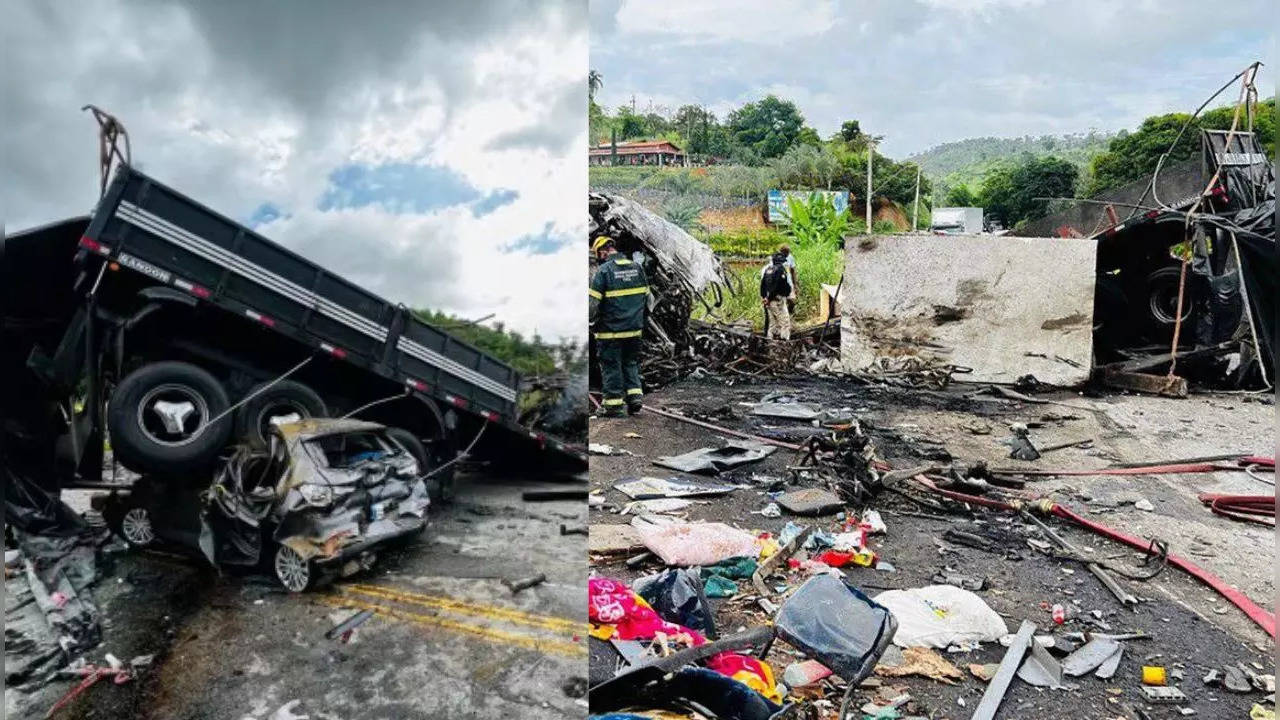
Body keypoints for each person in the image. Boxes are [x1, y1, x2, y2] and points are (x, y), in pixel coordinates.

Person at [589, 236, 648, 417]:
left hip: (610, 332)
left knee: (611, 365)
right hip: (634, 329)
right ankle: (635, 398)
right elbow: (648, 298)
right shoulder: (637, 268)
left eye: (598, 255)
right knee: (630, 363)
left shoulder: (604, 271)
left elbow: (592, 305)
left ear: (603, 252)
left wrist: (589, 322)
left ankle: (613, 405)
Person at [760, 251, 793, 340]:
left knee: (772, 323)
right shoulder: (780, 270)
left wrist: (764, 298)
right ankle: (784, 342)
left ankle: (769, 341)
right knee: (784, 322)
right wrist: (769, 298)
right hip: (777, 300)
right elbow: (777, 286)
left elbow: (762, 285)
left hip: (768, 300)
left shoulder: (768, 270)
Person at [778, 244, 799, 313]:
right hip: (779, 284)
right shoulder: (776, 258)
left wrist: (795, 284)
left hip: (788, 283)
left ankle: (790, 313)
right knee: (781, 302)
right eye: (785, 253)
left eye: (788, 253)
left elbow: (793, 271)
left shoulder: (790, 258)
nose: (787, 254)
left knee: (792, 301)